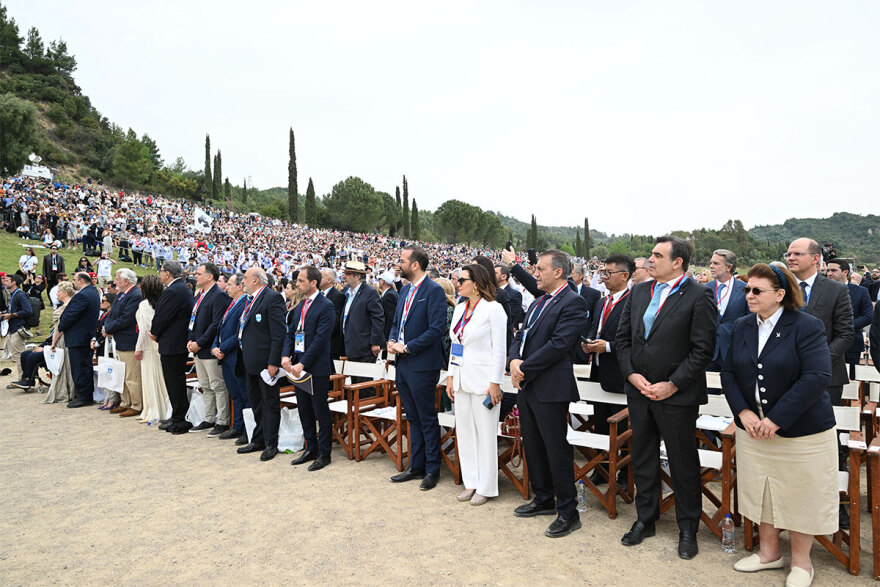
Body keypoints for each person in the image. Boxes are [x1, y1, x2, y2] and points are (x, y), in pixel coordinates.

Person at [722, 263, 836, 587]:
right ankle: (769, 553)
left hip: (801, 431)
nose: (749, 296)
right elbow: (728, 372)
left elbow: (816, 377)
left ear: (780, 295)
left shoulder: (806, 326)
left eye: (757, 290)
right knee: (762, 492)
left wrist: (776, 419)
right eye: (747, 290)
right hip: (753, 428)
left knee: (800, 496)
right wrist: (743, 412)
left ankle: (802, 563)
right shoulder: (742, 325)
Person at [615, 236, 717, 559]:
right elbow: (623, 340)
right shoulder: (640, 291)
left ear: (677, 263)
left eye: (657, 255)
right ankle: (646, 519)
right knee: (643, 457)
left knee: (682, 461)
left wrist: (671, 385)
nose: (649, 259)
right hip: (640, 392)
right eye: (650, 254)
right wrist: (632, 375)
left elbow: (703, 351)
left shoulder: (699, 296)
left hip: (676, 396)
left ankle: (688, 527)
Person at [508, 249, 588, 538]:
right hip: (528, 384)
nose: (536, 273)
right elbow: (520, 334)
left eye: (540, 268)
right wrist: (513, 361)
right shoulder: (539, 302)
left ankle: (568, 511)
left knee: (556, 449)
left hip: (551, 386)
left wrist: (524, 367)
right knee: (533, 445)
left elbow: (559, 344)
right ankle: (543, 499)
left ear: (558, 272)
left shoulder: (573, 302)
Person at [785, 238, 854, 528]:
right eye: (788, 253)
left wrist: (816, 362)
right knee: (787, 439)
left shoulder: (836, 290)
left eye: (797, 254)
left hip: (825, 378)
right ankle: (788, 503)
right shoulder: (781, 287)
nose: (790, 258)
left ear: (816, 259)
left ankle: (834, 505)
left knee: (827, 442)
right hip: (784, 378)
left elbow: (845, 334)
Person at [387, 245, 447, 491]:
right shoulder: (404, 291)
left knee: (426, 417)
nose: (397, 264)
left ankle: (432, 469)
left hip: (421, 364)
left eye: (401, 260)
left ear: (415, 265)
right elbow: (396, 323)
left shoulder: (434, 291)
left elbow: (436, 330)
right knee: (412, 417)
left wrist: (407, 347)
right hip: (402, 363)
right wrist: (391, 341)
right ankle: (416, 465)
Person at [445, 264, 506, 505]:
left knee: (485, 435)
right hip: (461, 379)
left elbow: (499, 350)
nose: (458, 283)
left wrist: (495, 383)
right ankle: (471, 482)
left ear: (477, 284)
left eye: (463, 280)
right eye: (458, 279)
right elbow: (455, 346)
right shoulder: (459, 308)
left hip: (484, 382)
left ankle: (486, 486)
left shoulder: (494, 310)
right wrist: (450, 377)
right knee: (466, 433)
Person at [580, 254, 633, 485]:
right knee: (600, 424)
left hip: (620, 375)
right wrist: (589, 343)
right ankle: (601, 469)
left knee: (621, 428)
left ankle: (623, 474)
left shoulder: (633, 302)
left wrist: (609, 347)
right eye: (603, 273)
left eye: (609, 273)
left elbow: (635, 340)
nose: (604, 278)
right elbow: (596, 329)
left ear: (625, 275)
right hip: (598, 373)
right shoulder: (602, 301)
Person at [282, 266, 336, 471]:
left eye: (302, 281)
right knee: (304, 408)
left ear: (314, 282)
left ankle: (325, 452)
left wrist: (302, 363)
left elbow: (321, 339)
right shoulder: (300, 305)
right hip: (298, 365)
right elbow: (290, 333)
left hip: (316, 367)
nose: (297, 284)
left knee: (319, 409)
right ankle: (310, 447)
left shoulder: (326, 306)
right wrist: (286, 355)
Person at [236, 267, 287, 462]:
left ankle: (271, 443)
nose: (243, 282)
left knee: (269, 403)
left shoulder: (272, 298)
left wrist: (273, 362)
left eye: (246, 278)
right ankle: (257, 438)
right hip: (250, 360)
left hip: (266, 363)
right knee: (256, 402)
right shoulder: (250, 300)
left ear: (256, 280)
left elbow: (278, 333)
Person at [187, 262, 233, 437]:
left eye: (199, 273)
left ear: (209, 276)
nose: (195, 276)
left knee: (217, 386)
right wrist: (190, 340)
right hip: (197, 347)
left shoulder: (218, 295)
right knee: (205, 386)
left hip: (208, 348)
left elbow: (216, 324)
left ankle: (222, 420)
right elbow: (194, 320)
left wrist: (200, 342)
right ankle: (209, 418)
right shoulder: (201, 294)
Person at [151, 261, 195, 434]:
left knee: (174, 382)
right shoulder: (182, 288)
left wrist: (155, 332)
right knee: (175, 382)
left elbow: (162, 316)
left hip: (172, 343)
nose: (160, 274)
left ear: (167, 273)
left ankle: (179, 418)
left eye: (161, 271)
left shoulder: (173, 290)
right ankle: (177, 415)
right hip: (176, 342)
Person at [210, 273, 251, 443]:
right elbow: (220, 328)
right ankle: (237, 426)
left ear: (240, 286)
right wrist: (214, 346)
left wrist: (222, 348)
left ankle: (247, 429)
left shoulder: (244, 304)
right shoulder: (232, 304)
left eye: (230, 284)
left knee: (244, 394)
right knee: (235, 394)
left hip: (235, 356)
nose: (227, 286)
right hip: (225, 356)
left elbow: (238, 333)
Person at [55, 272, 100, 408]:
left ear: (81, 281)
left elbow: (70, 315)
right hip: (84, 335)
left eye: (74, 280)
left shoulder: (82, 295)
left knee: (80, 367)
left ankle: (84, 396)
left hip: (78, 336)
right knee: (84, 366)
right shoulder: (93, 292)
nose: (72, 282)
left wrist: (61, 326)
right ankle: (85, 394)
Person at [102, 268, 143, 417]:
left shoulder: (135, 295)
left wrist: (109, 327)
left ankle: (137, 404)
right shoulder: (121, 294)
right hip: (119, 341)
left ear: (126, 281)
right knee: (122, 375)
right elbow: (111, 314)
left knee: (132, 376)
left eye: (118, 279)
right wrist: (106, 326)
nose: (115, 281)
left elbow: (127, 318)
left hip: (129, 341)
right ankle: (125, 402)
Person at [825, 259, 873, 377]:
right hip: (826, 344)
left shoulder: (861, 291)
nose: (829, 273)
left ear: (845, 272)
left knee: (851, 382)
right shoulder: (822, 290)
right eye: (828, 270)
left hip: (851, 344)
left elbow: (868, 316)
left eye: (833, 270)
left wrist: (845, 326)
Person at [706, 249, 749, 372]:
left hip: (734, 352)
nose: (711, 266)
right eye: (711, 262)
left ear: (729, 267)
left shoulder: (744, 289)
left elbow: (750, 321)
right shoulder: (704, 290)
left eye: (716, 263)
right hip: (709, 354)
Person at [135, 275, 170, 423]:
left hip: (149, 344)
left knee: (150, 378)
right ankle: (159, 409)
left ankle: (154, 411)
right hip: (159, 342)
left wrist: (138, 347)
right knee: (160, 377)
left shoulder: (144, 304)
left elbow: (144, 329)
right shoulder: (162, 302)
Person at [339, 261, 384, 368]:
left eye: (347, 274)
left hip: (364, 348)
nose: (344, 276)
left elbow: (378, 318)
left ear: (357, 276)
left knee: (363, 383)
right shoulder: (348, 292)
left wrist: (375, 342)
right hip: (350, 345)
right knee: (354, 381)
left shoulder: (370, 292)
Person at [40, 282, 77, 403]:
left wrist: (53, 342)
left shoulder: (67, 307)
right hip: (65, 337)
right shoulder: (71, 305)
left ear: (65, 293)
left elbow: (60, 328)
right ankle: (67, 390)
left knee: (63, 364)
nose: (57, 294)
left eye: (59, 292)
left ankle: (64, 390)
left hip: (63, 338)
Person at [1, 274, 32, 382]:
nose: (5, 282)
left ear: (14, 282)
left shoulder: (20, 295)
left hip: (19, 328)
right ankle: (23, 377)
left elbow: (28, 310)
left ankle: (23, 379)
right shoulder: (14, 294)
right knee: (17, 354)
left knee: (18, 355)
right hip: (14, 327)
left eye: (8, 280)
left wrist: (12, 315)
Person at [320, 268, 346, 364]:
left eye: (321, 277)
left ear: (329, 280)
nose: (318, 278)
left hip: (330, 345)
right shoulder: (318, 295)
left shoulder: (338, 296)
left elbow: (336, 322)